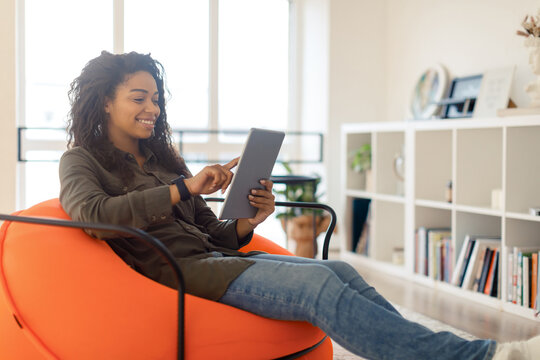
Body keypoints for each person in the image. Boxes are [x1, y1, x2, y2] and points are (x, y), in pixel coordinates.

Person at [59, 51, 538, 360]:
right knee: (316, 286)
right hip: (175, 272)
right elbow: (92, 216)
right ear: (104, 102)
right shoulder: (81, 160)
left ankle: (448, 354)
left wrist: (248, 220)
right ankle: (483, 358)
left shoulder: (162, 157)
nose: (153, 109)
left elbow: (215, 232)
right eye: (139, 98)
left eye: (156, 99)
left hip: (214, 258)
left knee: (341, 272)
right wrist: (186, 188)